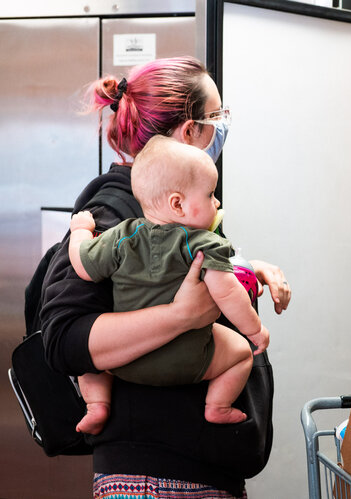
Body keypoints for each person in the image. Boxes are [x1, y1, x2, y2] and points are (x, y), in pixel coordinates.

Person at [40, 56, 290, 498]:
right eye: (218, 117)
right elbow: (64, 338)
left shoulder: (178, 213)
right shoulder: (117, 213)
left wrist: (251, 273)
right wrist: (180, 316)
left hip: (188, 472)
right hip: (158, 479)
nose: (223, 129)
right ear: (190, 131)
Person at [69, 136, 270, 434]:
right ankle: (218, 406)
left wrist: (80, 230)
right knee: (240, 353)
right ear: (178, 204)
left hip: (125, 363)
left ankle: (97, 404)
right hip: (190, 361)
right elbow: (228, 292)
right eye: (210, 194)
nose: (216, 203)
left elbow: (84, 266)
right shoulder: (205, 244)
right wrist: (254, 330)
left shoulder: (122, 237)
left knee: (84, 360)